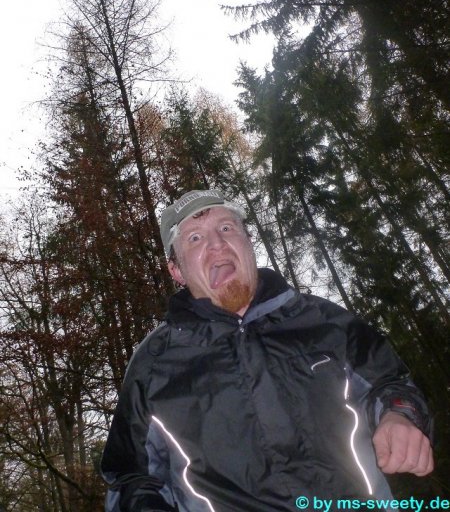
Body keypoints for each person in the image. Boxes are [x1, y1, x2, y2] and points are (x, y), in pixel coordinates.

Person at [101, 189, 434, 512]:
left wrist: (399, 415)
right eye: (195, 238)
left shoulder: (323, 320)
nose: (217, 244)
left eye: (227, 228)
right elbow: (131, 478)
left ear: (248, 242)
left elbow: (391, 383)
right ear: (177, 271)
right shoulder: (154, 365)